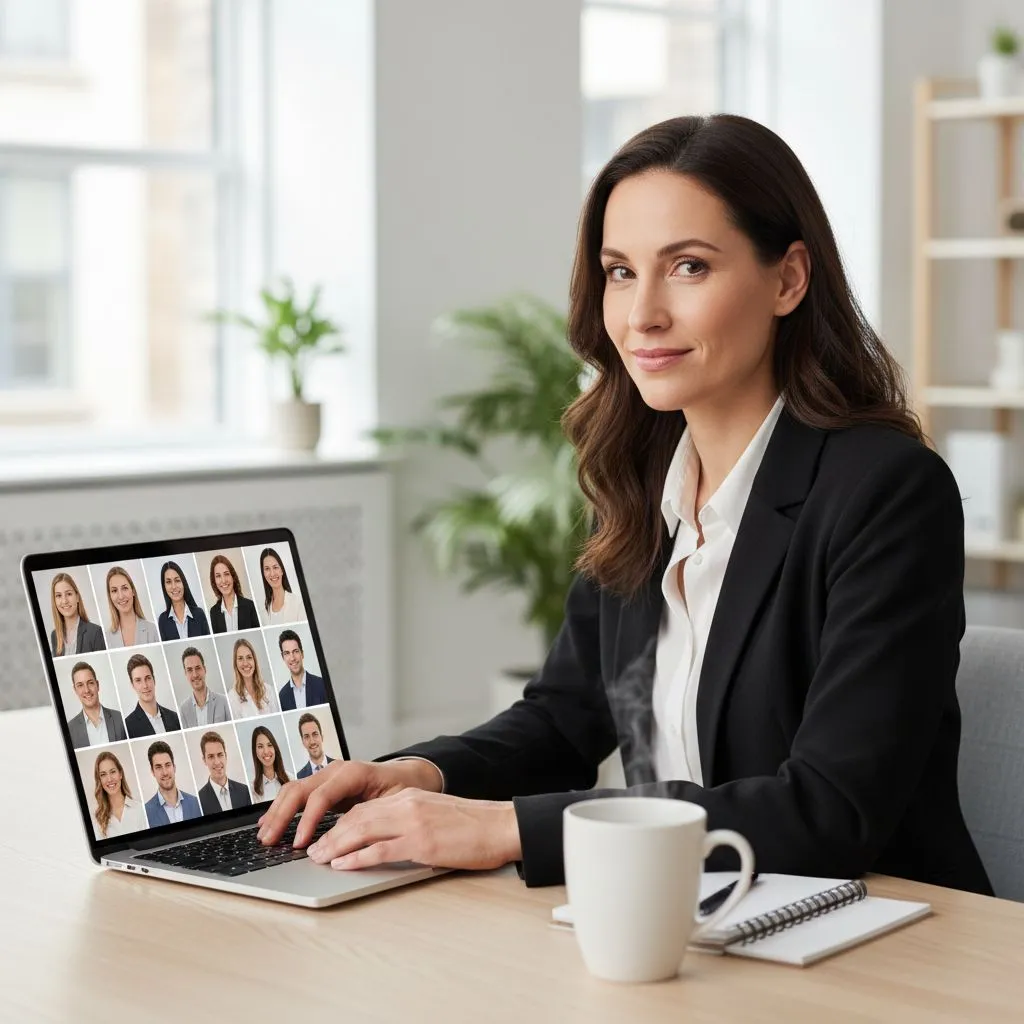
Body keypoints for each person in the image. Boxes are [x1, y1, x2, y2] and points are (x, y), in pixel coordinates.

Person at [257, 114, 992, 897]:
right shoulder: (644, 480)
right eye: (619, 272)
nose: (642, 314)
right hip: (683, 913)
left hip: (882, 931)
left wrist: (503, 827)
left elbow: (830, 811)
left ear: (788, 279)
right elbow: (565, 718)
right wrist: (416, 773)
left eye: (688, 267)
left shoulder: (886, 491)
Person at [66, 661, 127, 749]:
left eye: (90, 683)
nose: (86, 690)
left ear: (97, 685)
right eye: (80, 685)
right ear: (75, 690)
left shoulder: (119, 719)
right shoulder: (70, 730)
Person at [144, 740, 202, 827]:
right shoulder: (146, 813)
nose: (165, 772)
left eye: (167, 765)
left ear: (174, 767)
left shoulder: (195, 803)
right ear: (152, 772)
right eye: (158, 767)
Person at [123, 653, 181, 738]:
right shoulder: (127, 727)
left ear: (154, 680)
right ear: (132, 685)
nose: (145, 685)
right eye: (138, 680)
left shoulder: (174, 717)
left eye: (148, 678)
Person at [92, 751, 147, 839]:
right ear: (99, 780)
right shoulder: (97, 819)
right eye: (103, 774)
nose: (109, 779)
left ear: (120, 774)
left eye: (113, 772)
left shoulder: (140, 809)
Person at [49, 573, 106, 657]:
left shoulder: (95, 632)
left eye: (69, 594)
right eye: (59, 596)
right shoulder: (55, 635)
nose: (64, 601)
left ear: (77, 597)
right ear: (54, 601)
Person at [197, 731, 252, 815]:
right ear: (204, 760)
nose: (217, 762)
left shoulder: (244, 791)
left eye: (220, 755)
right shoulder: (199, 800)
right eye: (211, 756)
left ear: (225, 756)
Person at [104, 566, 160, 648]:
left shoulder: (152, 630)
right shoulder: (106, 639)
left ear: (133, 591)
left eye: (125, 588)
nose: (121, 596)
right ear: (110, 596)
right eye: (114, 591)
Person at [177, 646, 232, 728]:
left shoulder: (224, 701)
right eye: (189, 670)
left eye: (198, 668)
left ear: (204, 669)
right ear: (185, 673)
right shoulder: (183, 710)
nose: (195, 675)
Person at [157, 560, 211, 641]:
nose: (174, 586)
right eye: (168, 582)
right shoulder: (162, 620)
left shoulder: (199, 614)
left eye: (177, 580)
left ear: (183, 583)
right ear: (164, 587)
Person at [276, 629, 328, 711]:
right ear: (283, 657)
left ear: (302, 654)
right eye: (287, 653)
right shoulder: (282, 696)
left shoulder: (322, 685)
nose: (292, 658)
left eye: (295, 651)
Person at [207, 554, 260, 633]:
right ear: (214, 581)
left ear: (233, 577)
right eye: (218, 576)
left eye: (226, 574)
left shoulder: (250, 606)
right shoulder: (213, 612)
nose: (223, 580)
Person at [226, 637, 274, 719]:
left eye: (249, 657)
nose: (245, 663)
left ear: (254, 660)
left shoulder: (268, 689)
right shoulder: (232, 698)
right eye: (240, 658)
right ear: (236, 664)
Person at [259, 547, 304, 624]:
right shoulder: (263, 612)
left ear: (282, 570)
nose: (272, 573)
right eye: (267, 569)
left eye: (275, 567)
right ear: (263, 574)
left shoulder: (298, 603)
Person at [250, 725, 291, 802]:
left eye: (269, 745)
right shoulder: (252, 790)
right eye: (260, 746)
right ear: (255, 751)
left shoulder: (291, 779)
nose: (266, 751)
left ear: (275, 748)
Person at [294, 713, 336, 778]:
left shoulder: (339, 766)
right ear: (303, 742)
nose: (312, 741)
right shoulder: (299, 777)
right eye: (307, 736)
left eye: (315, 734)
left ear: (321, 737)